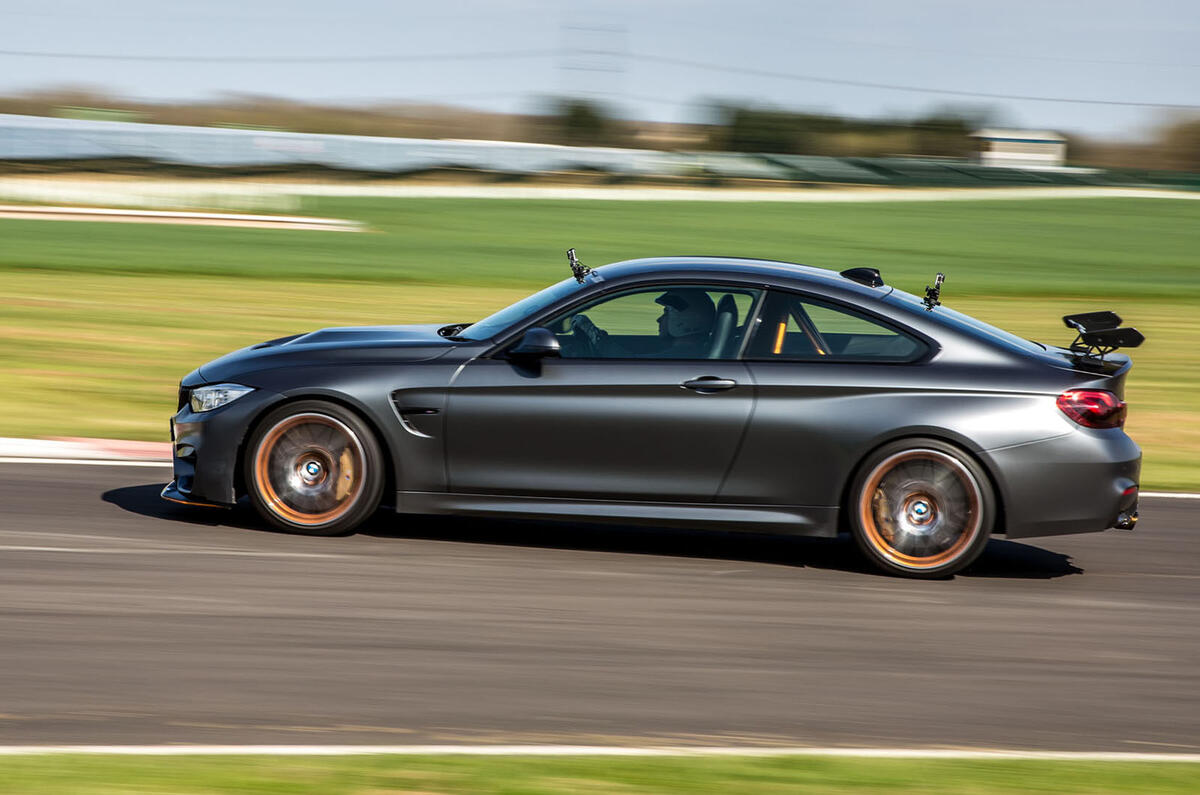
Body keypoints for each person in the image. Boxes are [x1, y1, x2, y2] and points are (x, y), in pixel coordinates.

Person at [570, 288, 716, 358]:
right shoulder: (689, 353)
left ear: (684, 320)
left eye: (666, 313)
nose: (659, 319)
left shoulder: (681, 357)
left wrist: (596, 337)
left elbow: (628, 366)